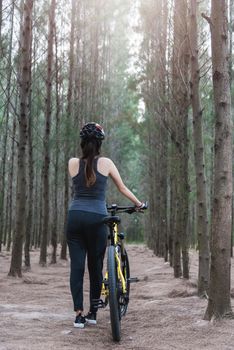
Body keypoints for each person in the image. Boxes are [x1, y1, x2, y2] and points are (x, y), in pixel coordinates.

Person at [66, 122, 145, 328]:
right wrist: (139, 204)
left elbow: (81, 182)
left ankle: (78, 315)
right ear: (100, 143)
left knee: (76, 267)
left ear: (82, 143)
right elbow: (122, 187)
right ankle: (93, 313)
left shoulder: (72, 163)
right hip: (97, 218)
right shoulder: (107, 163)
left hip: (75, 217)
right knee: (95, 266)